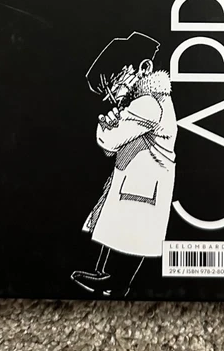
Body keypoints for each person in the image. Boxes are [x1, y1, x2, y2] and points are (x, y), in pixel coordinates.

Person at [71, 32, 177, 297]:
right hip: (137, 181)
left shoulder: (148, 103)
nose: (113, 90)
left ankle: (115, 282)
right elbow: (112, 147)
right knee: (121, 231)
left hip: (143, 185)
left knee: (131, 233)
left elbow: (109, 141)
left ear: (144, 68)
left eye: (116, 79)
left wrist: (107, 123)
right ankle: (107, 276)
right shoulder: (150, 101)